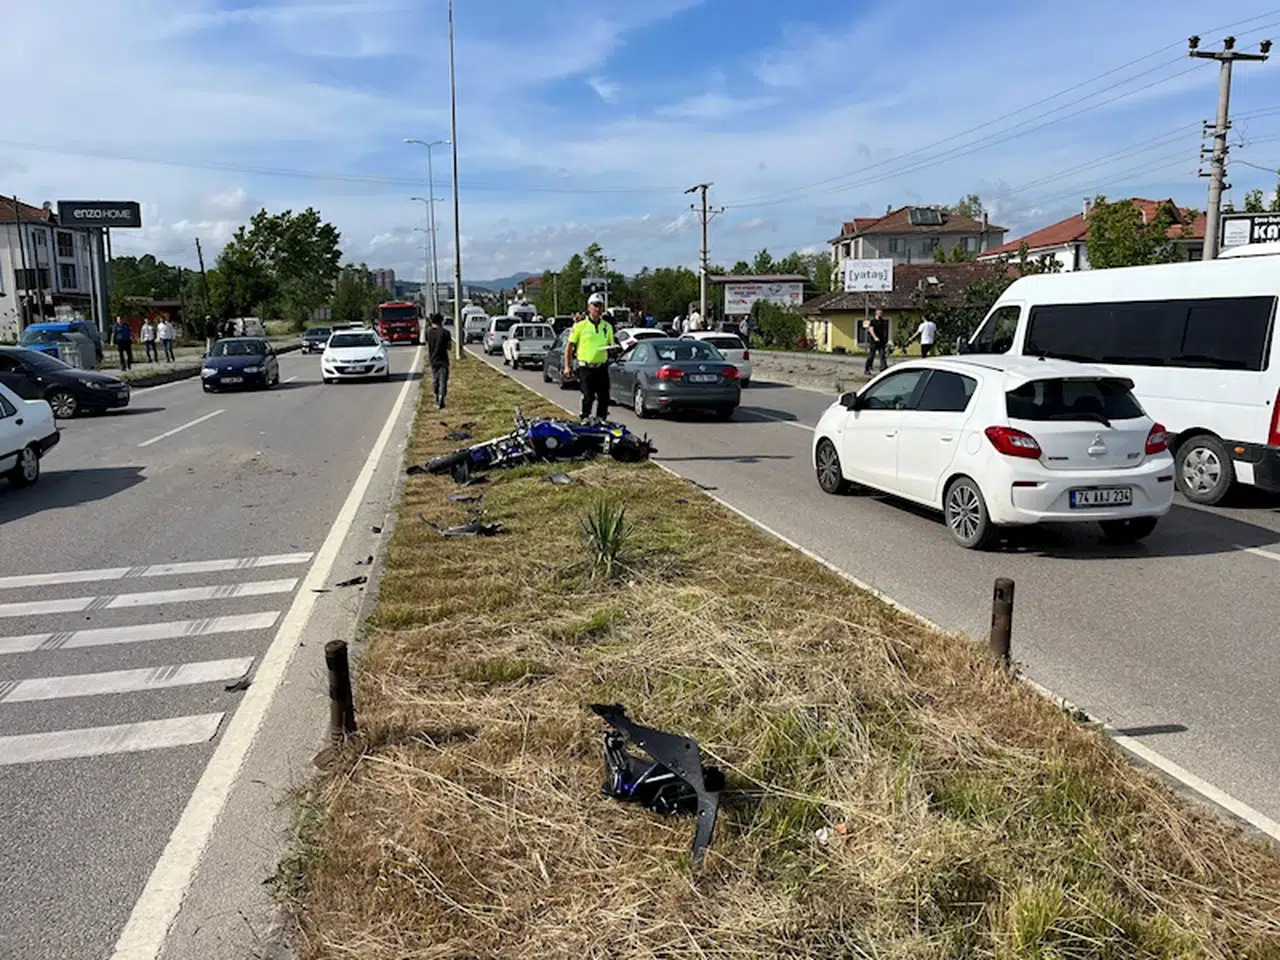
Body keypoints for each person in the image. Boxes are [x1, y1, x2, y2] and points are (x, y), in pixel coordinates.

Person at [565, 292, 616, 420]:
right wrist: (567, 366)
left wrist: (613, 350)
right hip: (586, 367)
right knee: (588, 396)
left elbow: (611, 344)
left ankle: (601, 420)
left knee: (604, 397)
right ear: (589, 307)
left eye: (600, 306)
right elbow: (569, 346)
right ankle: (585, 417)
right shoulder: (580, 326)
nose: (597, 309)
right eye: (595, 305)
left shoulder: (607, 327)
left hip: (601, 367)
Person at [426, 312, 451, 409]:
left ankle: (436, 398)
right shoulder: (446, 333)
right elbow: (449, 347)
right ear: (441, 321)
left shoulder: (428, 333)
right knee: (443, 380)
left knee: (435, 379)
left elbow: (428, 343)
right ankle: (441, 399)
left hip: (433, 360)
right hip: (443, 360)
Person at [863, 308, 889, 374]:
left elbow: (884, 331)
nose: (880, 314)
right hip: (874, 342)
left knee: (882, 354)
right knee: (872, 355)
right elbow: (871, 330)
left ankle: (883, 368)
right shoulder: (873, 321)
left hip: (881, 341)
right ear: (876, 313)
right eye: (879, 313)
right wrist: (875, 337)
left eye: (881, 313)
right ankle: (867, 369)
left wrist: (885, 339)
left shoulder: (882, 321)